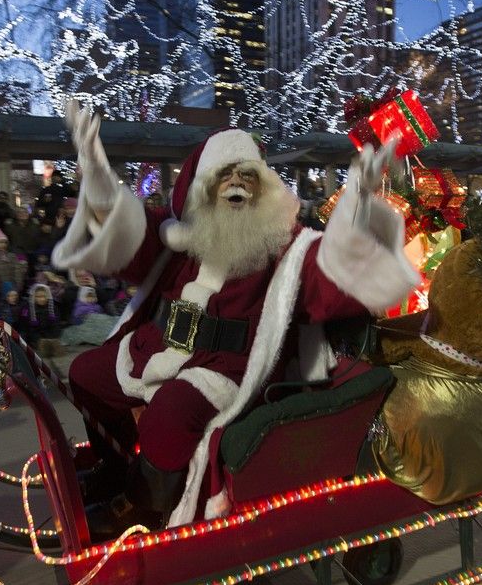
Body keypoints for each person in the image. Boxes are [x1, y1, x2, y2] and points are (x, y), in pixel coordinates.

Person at [52, 102, 417, 534]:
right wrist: (99, 184)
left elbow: (331, 276)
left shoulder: (286, 247)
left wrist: (360, 223)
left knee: (169, 413)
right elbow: (130, 241)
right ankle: (115, 470)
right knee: (85, 374)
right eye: (226, 176)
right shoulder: (181, 238)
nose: (237, 186)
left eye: (247, 177)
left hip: (227, 368)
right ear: (205, 187)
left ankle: (142, 505)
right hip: (160, 346)